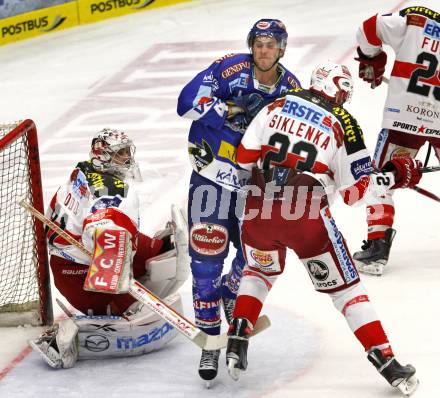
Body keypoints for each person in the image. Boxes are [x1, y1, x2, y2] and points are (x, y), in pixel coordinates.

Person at [225, 62, 421, 396]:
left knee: (258, 272)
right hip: (306, 216)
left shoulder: (278, 103)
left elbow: (243, 159)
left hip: (258, 207)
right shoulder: (343, 121)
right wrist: (393, 176)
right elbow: (354, 194)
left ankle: (238, 336)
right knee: (346, 293)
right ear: (338, 87)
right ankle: (386, 361)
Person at [176, 19, 301, 383]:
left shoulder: (291, 88)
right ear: (252, 46)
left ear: (282, 49)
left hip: (254, 190)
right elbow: (186, 103)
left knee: (255, 260)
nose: (263, 50)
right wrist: (227, 110)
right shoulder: (230, 68)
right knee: (205, 264)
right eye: (258, 44)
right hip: (211, 180)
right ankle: (210, 339)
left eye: (270, 44)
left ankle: (232, 293)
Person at [30, 128, 190, 369]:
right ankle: (67, 336)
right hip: (79, 275)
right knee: (137, 311)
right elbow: (100, 230)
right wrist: (117, 275)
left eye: (127, 152)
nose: (127, 158)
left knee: (162, 251)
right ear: (103, 156)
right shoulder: (112, 193)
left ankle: (125, 288)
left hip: (70, 261)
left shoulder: (83, 169)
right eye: (120, 153)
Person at [353, 5, 440, 275]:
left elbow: (369, 26)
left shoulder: (417, 20)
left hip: (405, 117)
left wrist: (372, 59)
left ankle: (377, 249)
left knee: (380, 180)